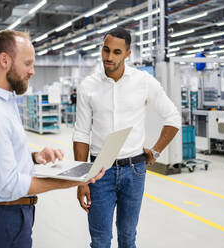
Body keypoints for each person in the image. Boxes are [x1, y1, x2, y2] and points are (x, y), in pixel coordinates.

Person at [0, 30, 104, 248]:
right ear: (4, 60)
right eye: (28, 63)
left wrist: (33, 157)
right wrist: (69, 181)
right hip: (3, 219)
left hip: (12, 215)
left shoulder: (4, 102)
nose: (32, 71)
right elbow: (8, 185)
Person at [73, 27, 181, 248]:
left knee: (128, 237)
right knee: (100, 241)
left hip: (134, 170)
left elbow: (173, 117)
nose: (109, 57)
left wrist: (157, 150)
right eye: (106, 50)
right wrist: (81, 179)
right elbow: (82, 133)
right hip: (98, 172)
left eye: (116, 52)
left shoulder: (143, 81)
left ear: (128, 54)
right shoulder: (88, 86)